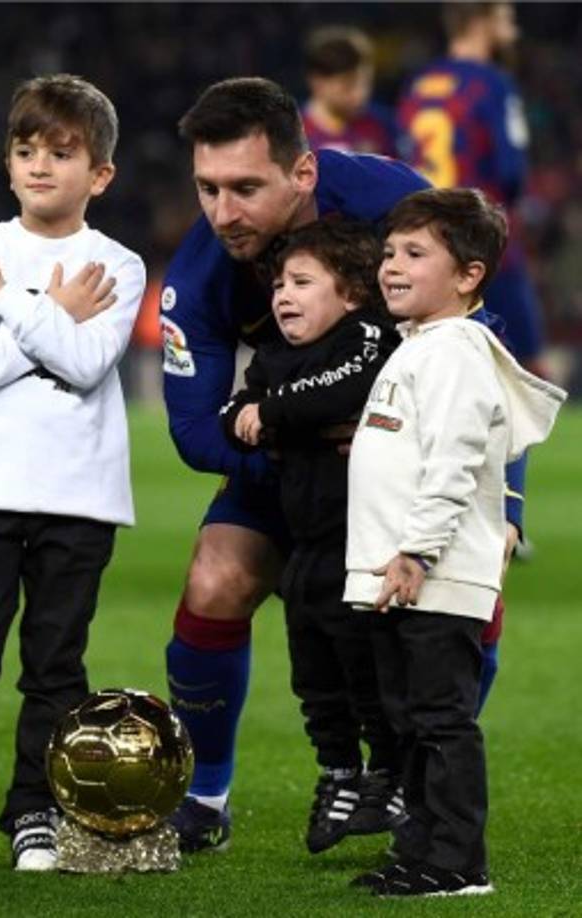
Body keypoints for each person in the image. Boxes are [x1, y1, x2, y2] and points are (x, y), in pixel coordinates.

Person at [161, 76, 429, 853]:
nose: (222, 212)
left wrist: (499, 499)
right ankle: (205, 800)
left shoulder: (391, 204)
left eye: (246, 187)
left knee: (467, 588)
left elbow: (484, 325)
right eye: (207, 189)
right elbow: (193, 433)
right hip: (295, 461)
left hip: (412, 460)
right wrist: (308, 446)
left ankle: (419, 784)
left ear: (303, 173)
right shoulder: (199, 273)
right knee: (216, 578)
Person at [0, 74, 146, 874]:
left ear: (100, 173)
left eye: (62, 152)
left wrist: (8, 301)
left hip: (78, 495)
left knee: (55, 668)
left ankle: (33, 815)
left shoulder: (118, 264)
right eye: (25, 150)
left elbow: (85, 363)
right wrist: (47, 311)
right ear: (8, 166)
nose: (40, 165)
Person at [344, 187, 565, 897]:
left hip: (430, 574)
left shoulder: (455, 353)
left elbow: (457, 458)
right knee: (410, 724)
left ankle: (457, 862)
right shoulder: (421, 349)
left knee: (440, 721)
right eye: (388, 253)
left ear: (469, 275)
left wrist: (417, 550)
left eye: (415, 253)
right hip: (402, 575)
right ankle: (421, 850)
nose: (392, 267)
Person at [221, 218, 405, 854]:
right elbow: (230, 412)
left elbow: (341, 390)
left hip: (367, 547)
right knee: (313, 672)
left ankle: (388, 773)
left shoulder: (369, 336)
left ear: (351, 294)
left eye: (301, 281)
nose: (282, 295)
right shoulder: (276, 354)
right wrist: (274, 414)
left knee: (368, 667)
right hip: (306, 544)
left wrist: (272, 415)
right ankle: (338, 772)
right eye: (277, 284)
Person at [397, 2, 548, 377]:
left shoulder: (417, 84)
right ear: (482, 22)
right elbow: (511, 170)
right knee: (526, 365)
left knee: (436, 362)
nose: (514, 29)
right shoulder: (492, 83)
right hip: (481, 235)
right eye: (506, 19)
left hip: (425, 240)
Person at [302, 25, 398, 157]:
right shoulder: (293, 136)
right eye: (347, 87)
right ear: (318, 83)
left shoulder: (384, 126)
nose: (360, 94)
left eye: (366, 83)